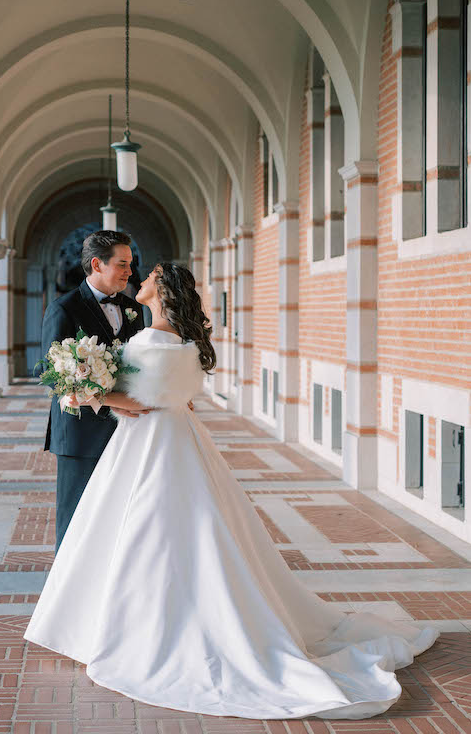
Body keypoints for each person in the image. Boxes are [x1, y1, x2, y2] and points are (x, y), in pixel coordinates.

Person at [24, 262, 438, 720]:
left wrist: (85, 391)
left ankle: (130, 631)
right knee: (193, 534)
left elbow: (138, 401)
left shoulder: (148, 341)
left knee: (143, 535)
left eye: (149, 275)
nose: (140, 278)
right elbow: (174, 398)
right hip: (180, 441)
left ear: (159, 290)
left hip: (148, 448)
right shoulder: (180, 344)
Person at [40, 230, 146, 552]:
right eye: (123, 264)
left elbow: (140, 367)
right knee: (75, 521)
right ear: (97, 264)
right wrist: (111, 399)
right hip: (79, 435)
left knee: (119, 519)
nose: (130, 272)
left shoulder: (133, 309)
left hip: (126, 433)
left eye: (131, 264)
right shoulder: (64, 309)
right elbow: (53, 376)